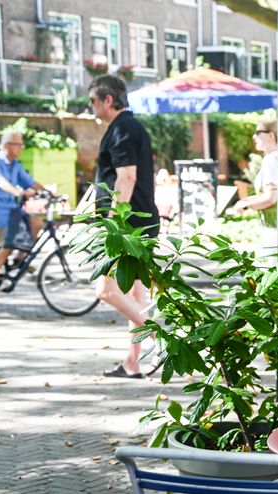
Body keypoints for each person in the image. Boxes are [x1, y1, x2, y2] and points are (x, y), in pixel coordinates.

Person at [89, 74, 159, 379]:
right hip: (140, 222)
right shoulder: (131, 127)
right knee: (135, 295)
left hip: (128, 227)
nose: (91, 106)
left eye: (93, 100)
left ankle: (163, 341)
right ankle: (133, 362)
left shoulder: (121, 129)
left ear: (108, 100)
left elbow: (127, 177)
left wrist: (115, 225)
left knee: (106, 290)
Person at [0, 130, 46, 298]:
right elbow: (0, 182)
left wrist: (49, 193)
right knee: (9, 242)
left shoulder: (15, 165)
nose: (21, 148)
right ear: (7, 146)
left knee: (36, 223)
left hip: (11, 211)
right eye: (19, 144)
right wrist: (18, 192)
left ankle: (19, 259)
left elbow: (30, 183)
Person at [230, 116, 278, 223]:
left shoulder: (270, 160)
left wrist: (245, 206)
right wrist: (252, 199)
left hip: (274, 226)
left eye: (258, 133)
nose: (254, 136)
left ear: (271, 135)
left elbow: (271, 198)